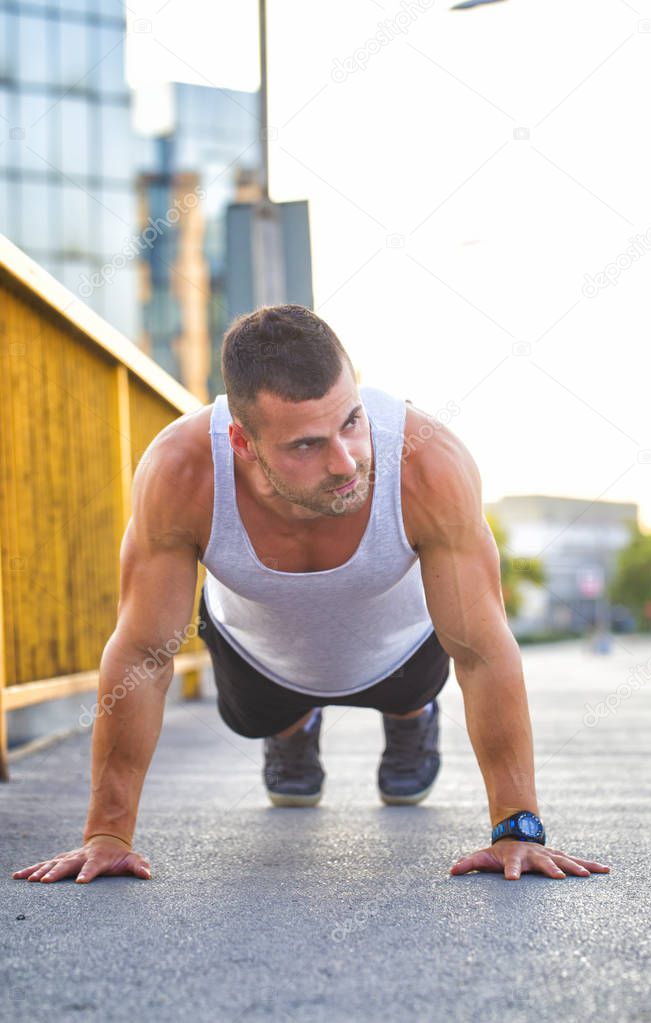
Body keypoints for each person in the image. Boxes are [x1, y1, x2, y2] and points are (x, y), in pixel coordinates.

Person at [12, 305, 610, 885]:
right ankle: (293, 729)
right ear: (242, 443)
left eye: (350, 420)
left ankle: (411, 719)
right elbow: (144, 655)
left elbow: (481, 652)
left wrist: (519, 828)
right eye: (305, 445)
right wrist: (108, 835)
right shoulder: (181, 470)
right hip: (261, 658)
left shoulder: (428, 461)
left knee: (417, 680)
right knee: (273, 727)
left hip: (400, 653)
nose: (346, 461)